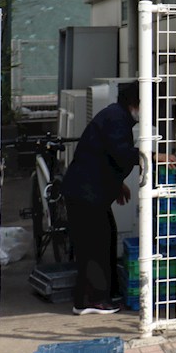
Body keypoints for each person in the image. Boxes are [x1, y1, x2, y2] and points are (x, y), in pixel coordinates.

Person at [61, 83, 142, 315]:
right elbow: (122, 153)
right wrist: (153, 156)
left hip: (88, 191)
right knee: (95, 244)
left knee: (105, 237)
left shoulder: (116, 116)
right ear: (135, 103)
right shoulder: (116, 119)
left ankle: (105, 293)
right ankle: (91, 300)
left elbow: (104, 156)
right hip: (85, 193)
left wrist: (117, 184)